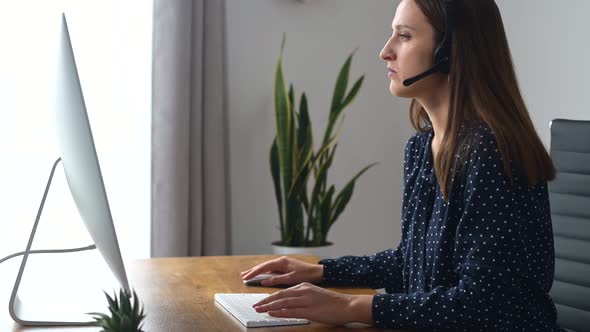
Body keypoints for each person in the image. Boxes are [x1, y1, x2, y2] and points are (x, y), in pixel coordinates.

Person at [241, 0, 561, 330]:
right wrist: (322, 271)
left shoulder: (490, 152)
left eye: (404, 36)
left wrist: (351, 305)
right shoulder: (422, 148)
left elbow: (482, 303)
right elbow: (413, 263)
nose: (385, 51)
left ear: (449, 51)